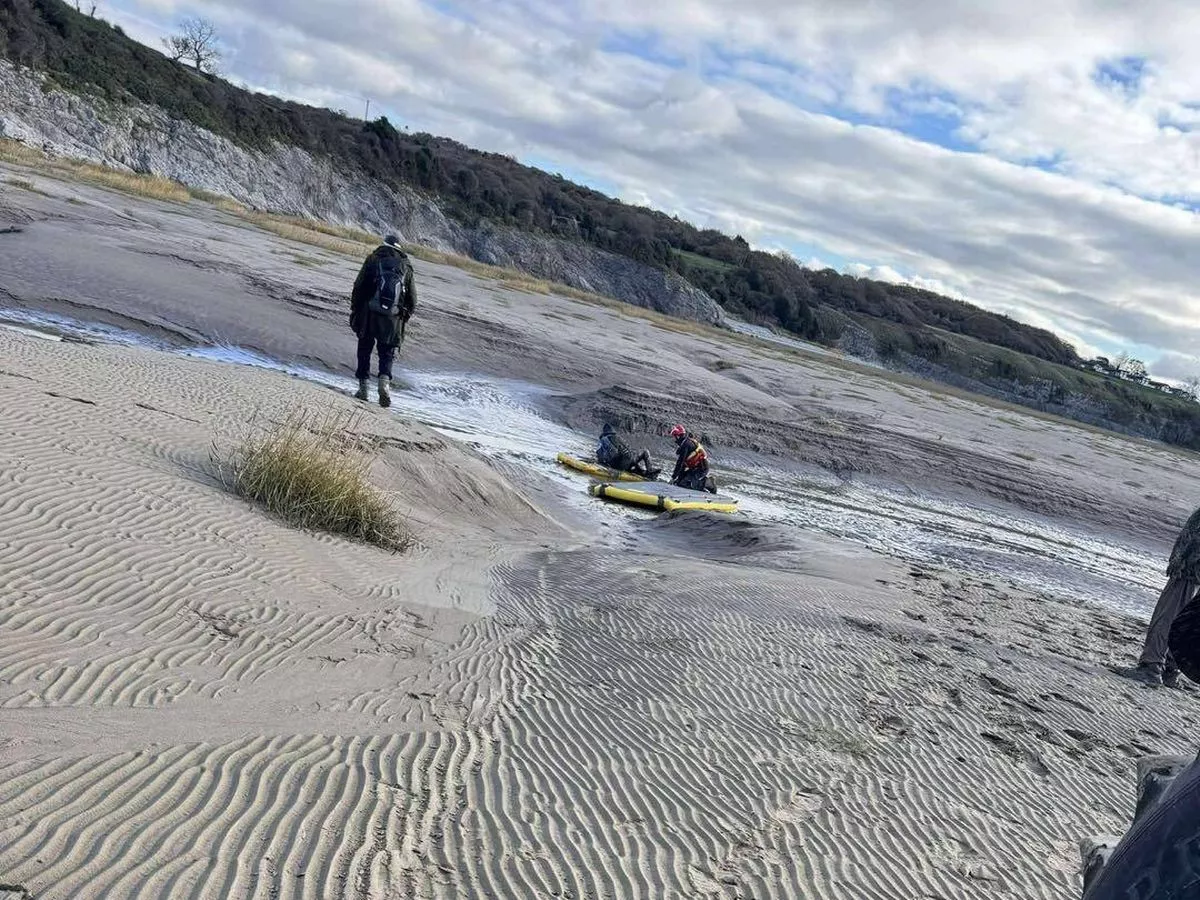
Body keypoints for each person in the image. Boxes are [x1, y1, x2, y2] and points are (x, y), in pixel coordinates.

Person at [1117, 504, 1200, 687]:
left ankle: (1151, 668)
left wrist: (1180, 559)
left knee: (1168, 614)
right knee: (1190, 619)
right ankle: (1171, 670)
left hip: (1192, 564)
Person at [349, 235, 415, 408]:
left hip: (368, 313)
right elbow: (412, 299)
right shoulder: (406, 266)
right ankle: (383, 386)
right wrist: (403, 317)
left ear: (383, 245)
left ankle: (363, 389)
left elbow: (359, 286)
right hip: (392, 319)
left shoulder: (373, 259)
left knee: (364, 350)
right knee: (387, 354)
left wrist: (355, 308)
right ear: (399, 249)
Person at [669, 424, 717, 494]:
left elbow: (680, 463)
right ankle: (699, 482)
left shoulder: (686, 445)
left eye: (674, 436)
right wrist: (677, 478)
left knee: (686, 484)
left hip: (701, 469)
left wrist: (673, 477)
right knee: (679, 482)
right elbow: (683, 465)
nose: (674, 439)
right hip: (694, 469)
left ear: (678, 436)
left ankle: (708, 484)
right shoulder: (686, 443)